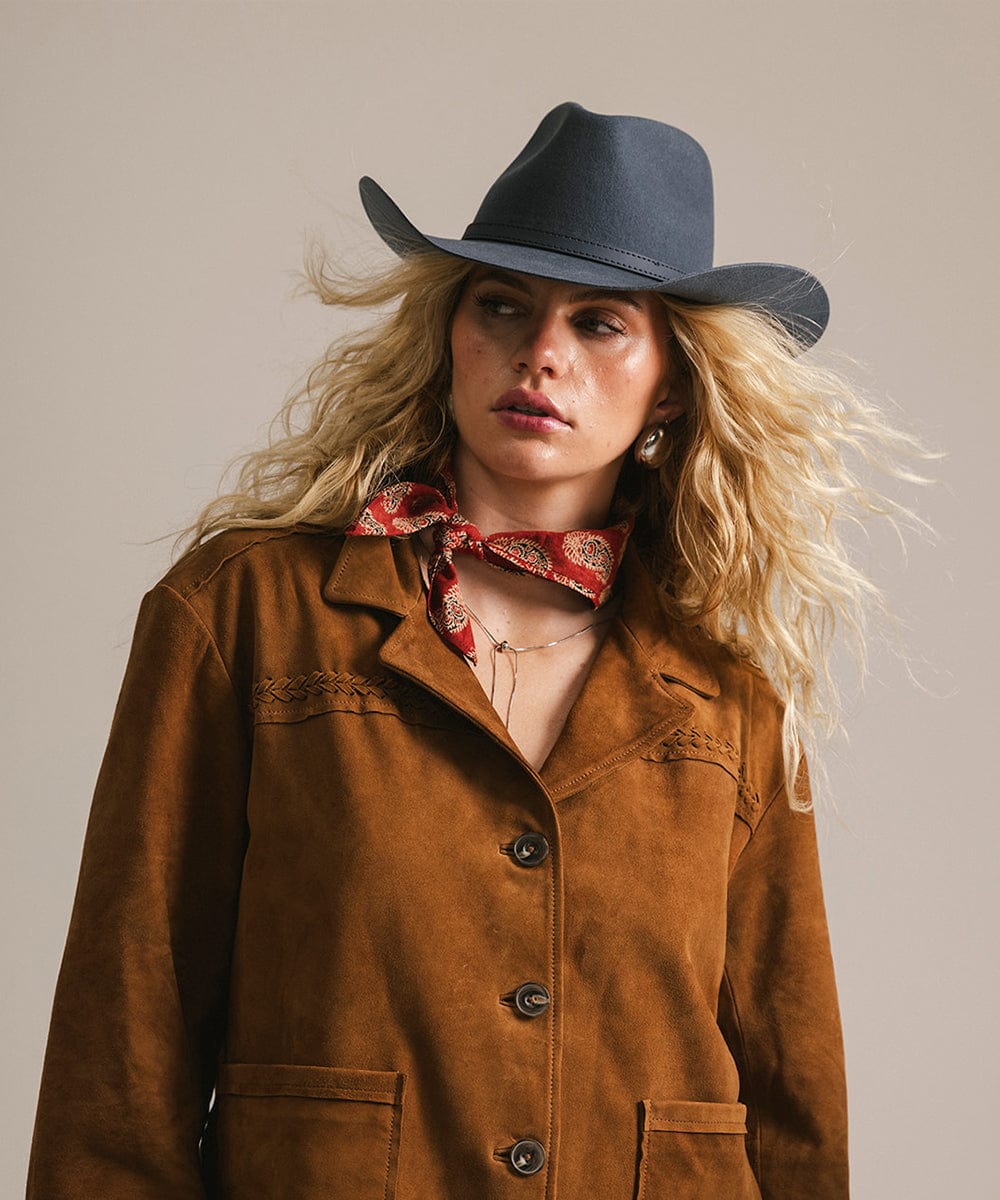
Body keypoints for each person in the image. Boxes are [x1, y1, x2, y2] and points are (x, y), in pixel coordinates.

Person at [27, 101, 913, 1199]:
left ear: (671, 383)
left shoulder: (728, 697)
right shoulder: (246, 614)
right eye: (503, 306)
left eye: (600, 324)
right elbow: (127, 1024)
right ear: (450, 334)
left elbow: (787, 1083)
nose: (541, 356)